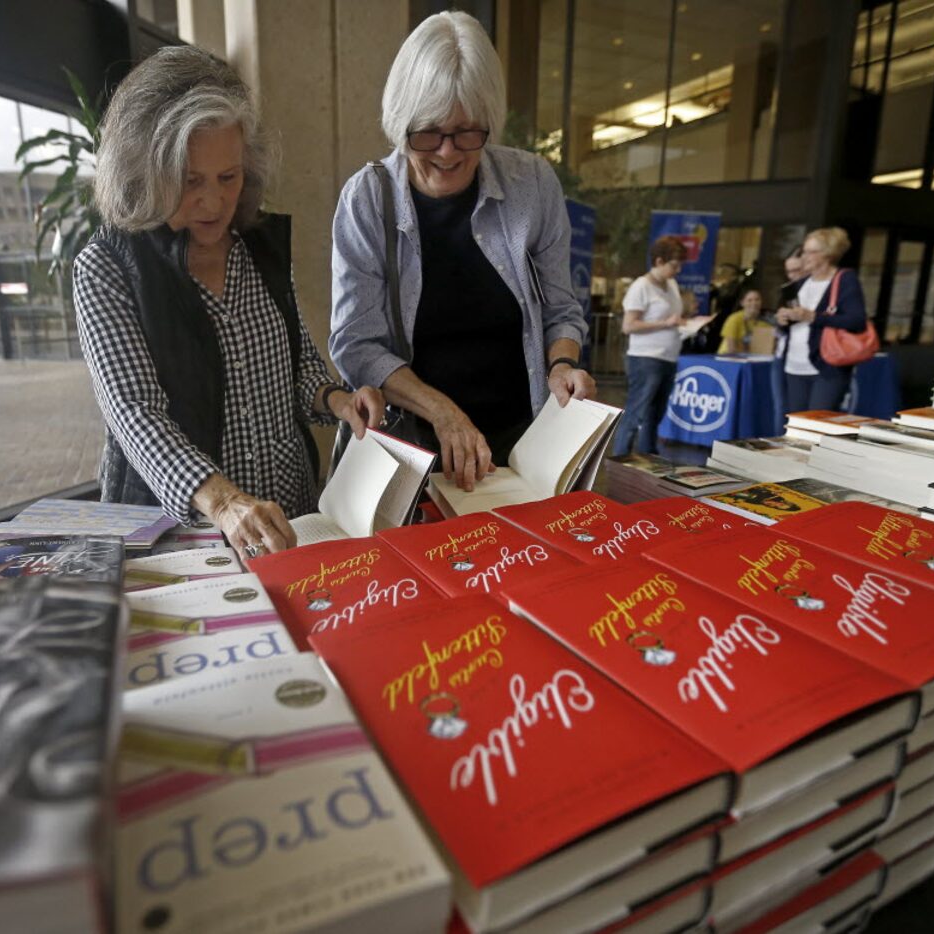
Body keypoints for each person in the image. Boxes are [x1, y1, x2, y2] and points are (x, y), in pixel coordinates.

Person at [74, 46, 383, 558]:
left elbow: (296, 361)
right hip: (184, 537)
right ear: (145, 170)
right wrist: (224, 504)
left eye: (229, 176)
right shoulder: (108, 267)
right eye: (190, 181)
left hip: (291, 517)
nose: (215, 202)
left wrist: (339, 401)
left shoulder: (256, 245)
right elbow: (136, 414)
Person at [330, 11, 594, 493]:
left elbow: (561, 309)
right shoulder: (368, 199)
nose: (448, 153)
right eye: (428, 133)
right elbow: (356, 344)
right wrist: (444, 412)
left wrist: (562, 365)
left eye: (468, 132)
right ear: (400, 121)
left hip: (523, 444)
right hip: (413, 450)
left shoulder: (531, 184)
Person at [775, 227, 868, 413]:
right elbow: (791, 324)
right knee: (797, 428)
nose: (805, 257)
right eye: (804, 251)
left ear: (827, 254)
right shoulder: (801, 284)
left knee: (817, 426)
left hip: (826, 367)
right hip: (794, 365)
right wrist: (783, 319)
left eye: (811, 252)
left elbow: (856, 321)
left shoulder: (844, 280)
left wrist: (813, 317)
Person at [612, 235, 689, 457]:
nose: (678, 270)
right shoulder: (641, 286)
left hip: (668, 356)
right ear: (658, 262)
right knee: (637, 410)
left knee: (656, 412)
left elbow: (671, 316)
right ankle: (620, 457)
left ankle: (648, 455)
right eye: (675, 265)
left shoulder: (671, 284)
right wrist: (664, 323)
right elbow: (629, 325)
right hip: (646, 357)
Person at [717, 289, 773, 354]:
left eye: (757, 300)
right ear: (742, 303)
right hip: (728, 357)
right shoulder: (734, 319)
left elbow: (765, 349)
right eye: (749, 300)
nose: (754, 303)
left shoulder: (764, 324)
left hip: (750, 359)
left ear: (761, 302)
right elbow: (731, 348)